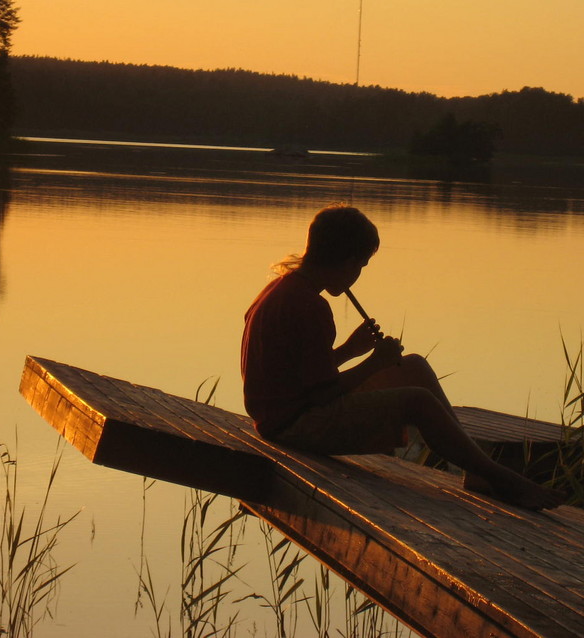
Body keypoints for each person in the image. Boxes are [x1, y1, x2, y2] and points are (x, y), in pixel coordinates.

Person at [241, 205, 565, 510]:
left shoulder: (282, 290)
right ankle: (501, 478)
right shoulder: (310, 306)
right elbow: (322, 393)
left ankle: (479, 471)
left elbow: (300, 375)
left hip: (285, 414)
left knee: (413, 367)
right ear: (348, 260)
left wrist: (349, 352)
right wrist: (373, 363)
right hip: (292, 427)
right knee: (416, 402)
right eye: (361, 266)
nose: (358, 276)